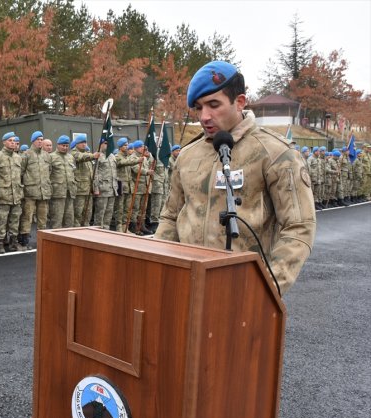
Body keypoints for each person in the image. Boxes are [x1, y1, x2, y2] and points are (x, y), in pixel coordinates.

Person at [156, 61, 316, 295]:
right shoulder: (188, 155)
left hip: (243, 290)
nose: (204, 116)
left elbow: (299, 227)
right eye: (199, 108)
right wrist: (159, 268)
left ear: (239, 102)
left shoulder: (275, 154)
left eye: (213, 105)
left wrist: (265, 290)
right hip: (186, 285)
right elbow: (170, 216)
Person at [0, 132, 25, 253]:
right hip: (2, 194)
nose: (13, 143)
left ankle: (13, 242)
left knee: (15, 219)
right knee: (1, 220)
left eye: (14, 141)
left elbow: (20, 175)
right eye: (10, 140)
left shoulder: (18, 158)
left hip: (16, 194)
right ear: (4, 142)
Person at [18, 131, 52, 249]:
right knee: (27, 216)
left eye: (41, 139)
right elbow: (21, 172)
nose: (40, 141)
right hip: (30, 192)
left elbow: (49, 171)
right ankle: (24, 239)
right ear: (33, 140)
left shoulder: (47, 155)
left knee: (43, 217)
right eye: (38, 139)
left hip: (43, 191)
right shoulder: (26, 154)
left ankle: (41, 239)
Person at [49, 135, 77, 229]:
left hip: (70, 192)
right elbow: (47, 175)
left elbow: (74, 172)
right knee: (57, 219)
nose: (65, 148)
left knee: (69, 219)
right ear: (58, 145)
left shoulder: (70, 157)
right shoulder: (51, 157)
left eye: (66, 146)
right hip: (57, 193)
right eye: (63, 145)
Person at [72, 135, 100, 226]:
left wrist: (95, 188)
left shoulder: (88, 154)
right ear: (77, 144)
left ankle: (86, 229)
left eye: (85, 142)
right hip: (79, 190)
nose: (84, 144)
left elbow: (92, 173)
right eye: (81, 143)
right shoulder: (74, 153)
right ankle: (77, 232)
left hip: (88, 189)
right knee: (78, 213)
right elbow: (81, 157)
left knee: (88, 213)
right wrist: (93, 155)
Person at [92, 140, 118, 229]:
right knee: (100, 213)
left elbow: (114, 173)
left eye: (109, 143)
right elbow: (95, 173)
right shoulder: (97, 156)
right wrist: (96, 188)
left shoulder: (112, 156)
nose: (108, 145)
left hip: (112, 189)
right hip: (102, 189)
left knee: (109, 212)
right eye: (106, 143)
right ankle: (98, 231)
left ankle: (106, 230)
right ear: (101, 145)